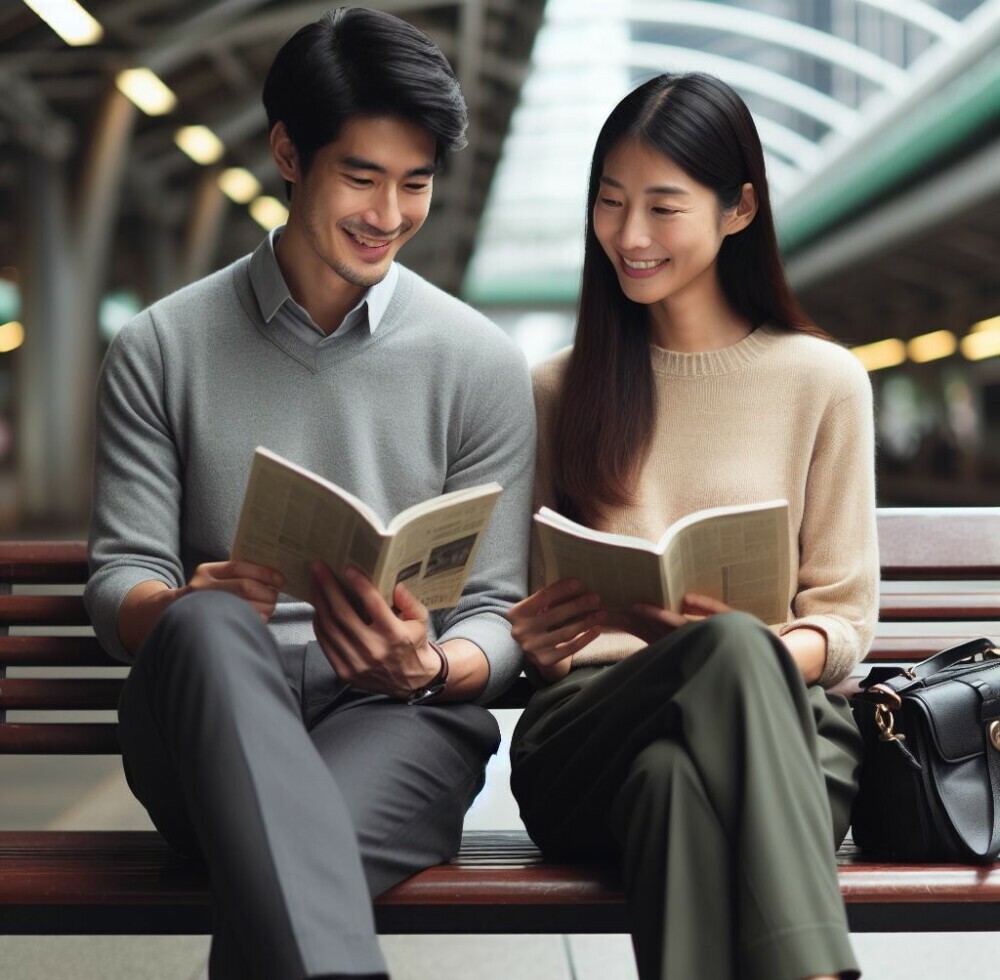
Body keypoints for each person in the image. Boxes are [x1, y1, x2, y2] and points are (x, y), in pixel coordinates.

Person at [84, 8, 534, 979]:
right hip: (204, 725)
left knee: (275, 878)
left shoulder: (481, 364)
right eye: (360, 176)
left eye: (414, 184)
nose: (388, 214)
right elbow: (118, 575)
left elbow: (500, 612)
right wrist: (176, 603)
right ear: (289, 152)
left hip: (400, 722)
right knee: (203, 628)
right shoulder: (161, 347)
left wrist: (431, 662)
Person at [507, 72, 877, 980]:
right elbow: (516, 609)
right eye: (609, 203)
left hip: (783, 737)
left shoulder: (823, 381)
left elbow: (843, 622)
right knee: (727, 662)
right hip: (588, 734)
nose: (628, 236)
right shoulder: (555, 389)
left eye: (662, 207)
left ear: (739, 208)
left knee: (681, 772)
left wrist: (749, 650)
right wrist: (539, 637)